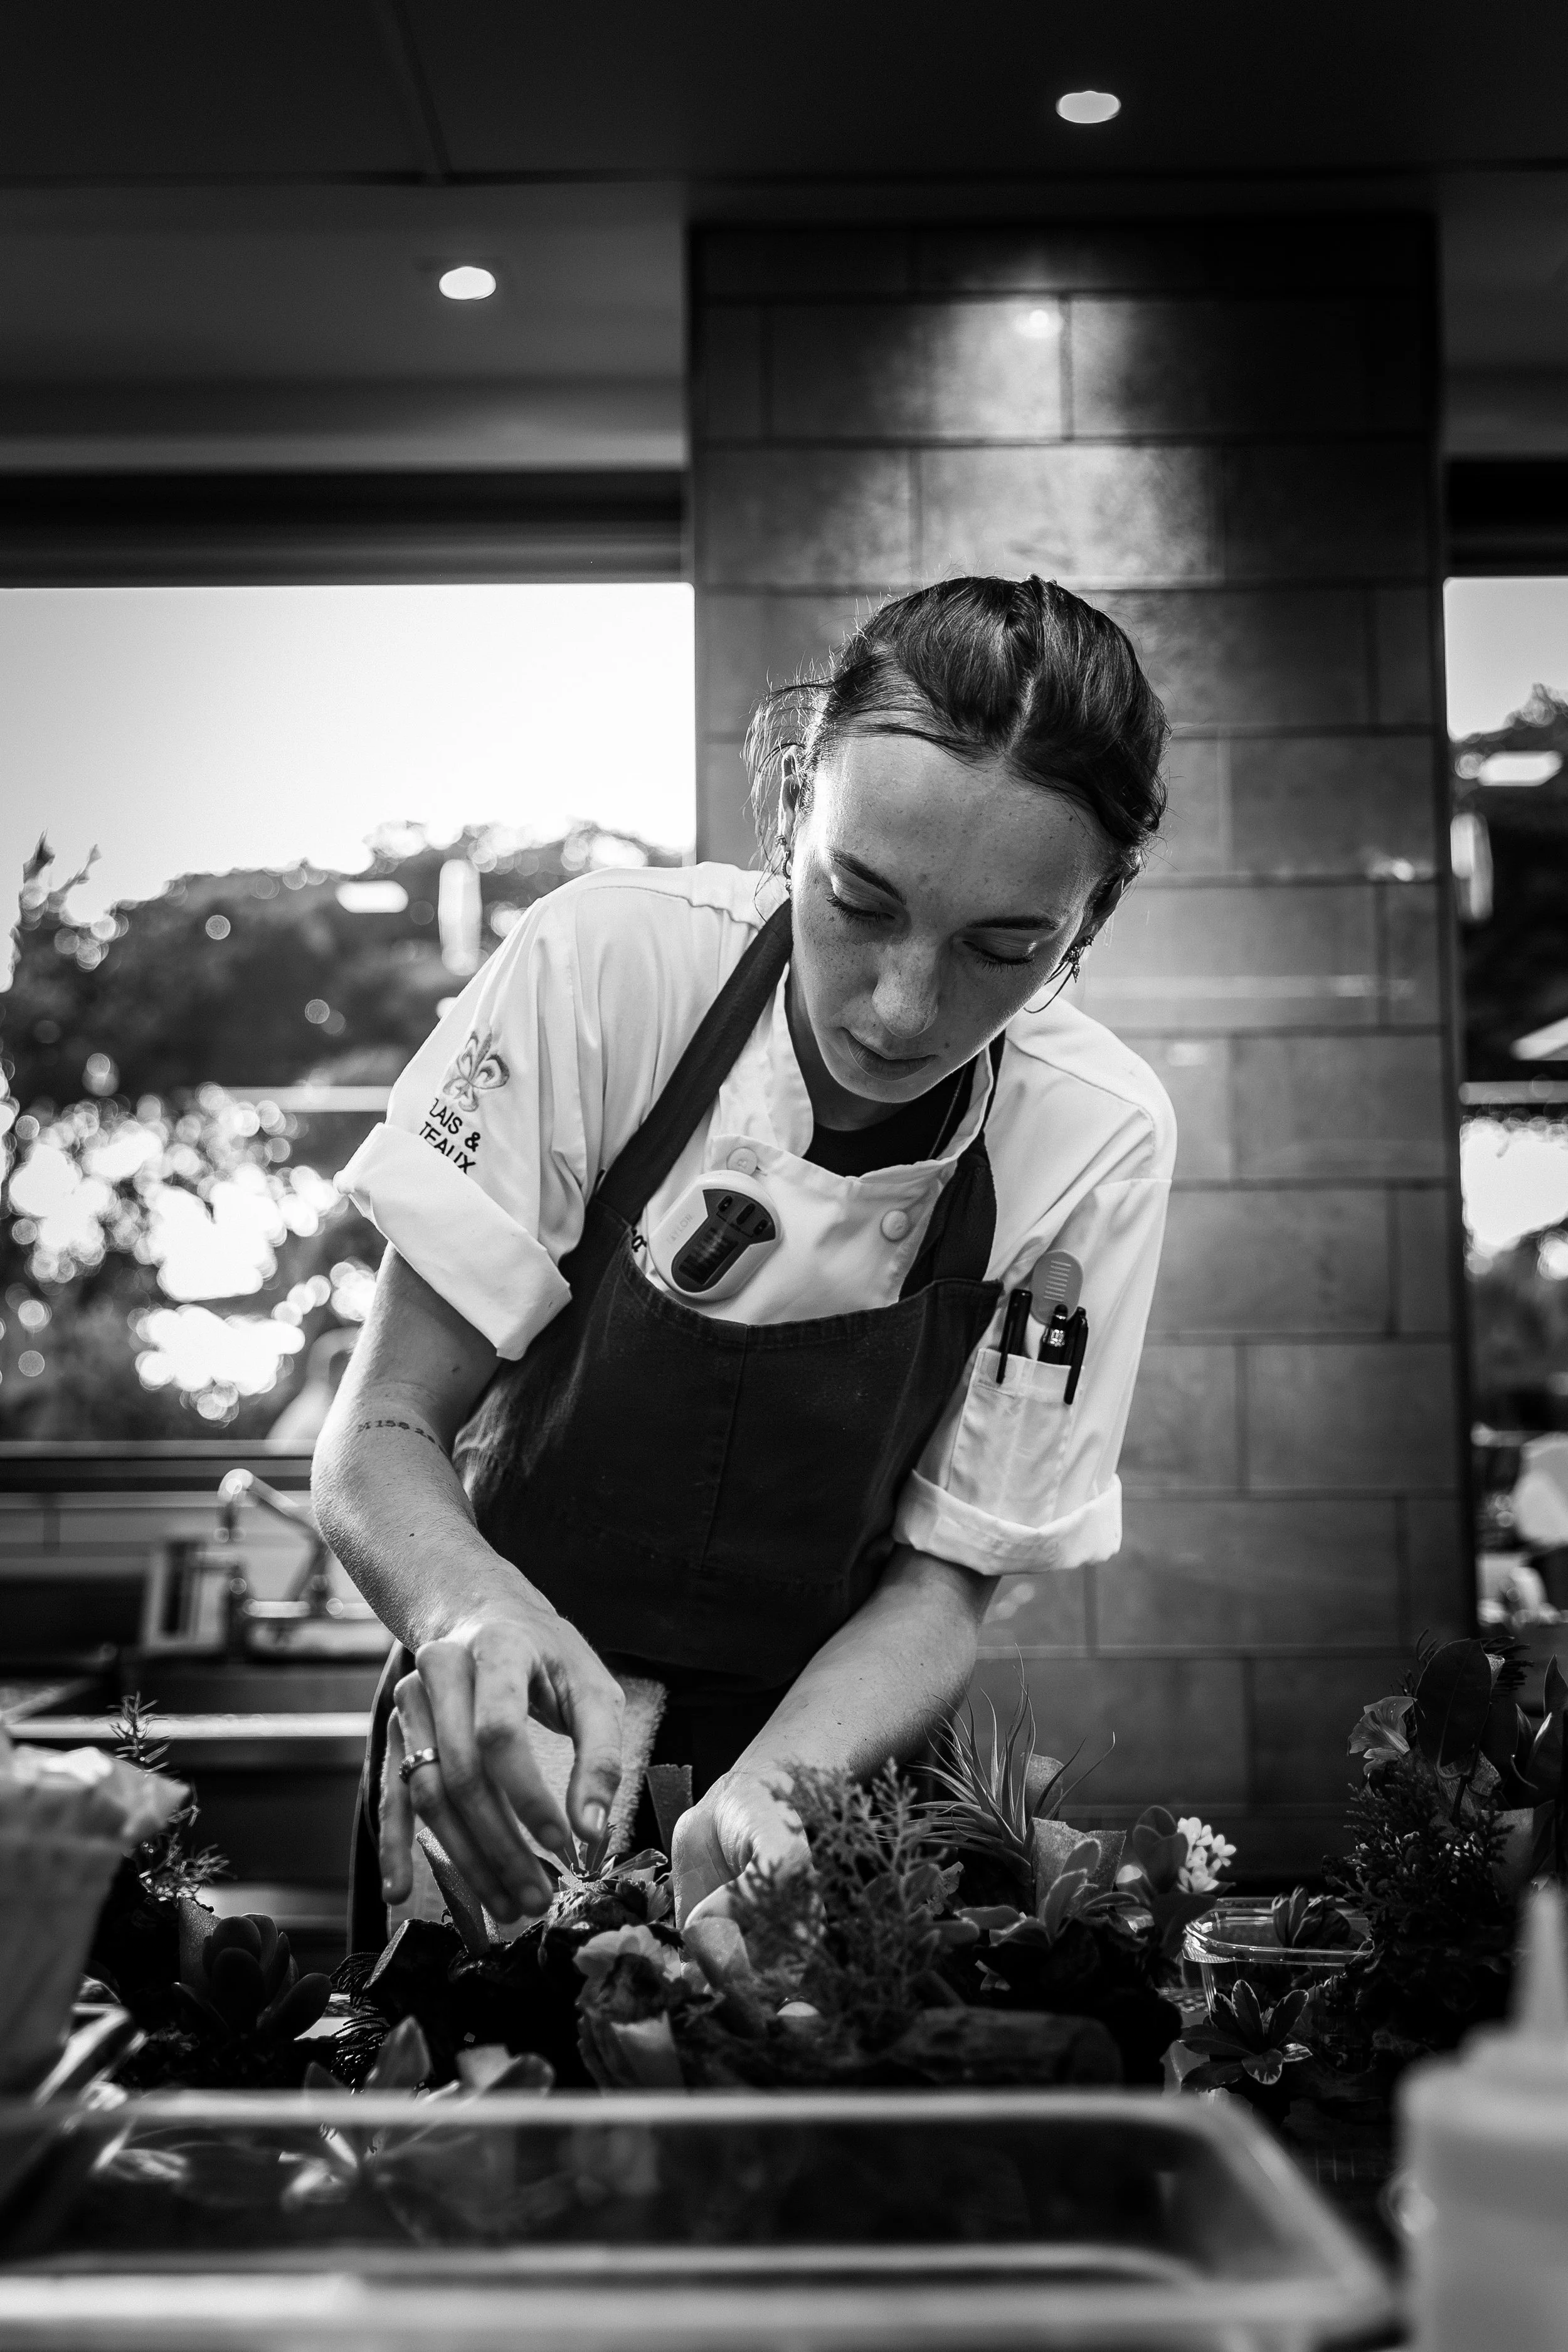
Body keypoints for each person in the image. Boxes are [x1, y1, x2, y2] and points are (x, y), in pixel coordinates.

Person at [313, 575, 1176, 1942]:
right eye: (858, 900)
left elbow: (941, 1580)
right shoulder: (609, 968)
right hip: (513, 1724)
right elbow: (380, 1434)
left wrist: (780, 1785)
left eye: (1004, 949)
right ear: (790, 807)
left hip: (828, 1752)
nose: (902, 1007)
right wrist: (465, 1616)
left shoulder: (1095, 1136)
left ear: (1091, 918)